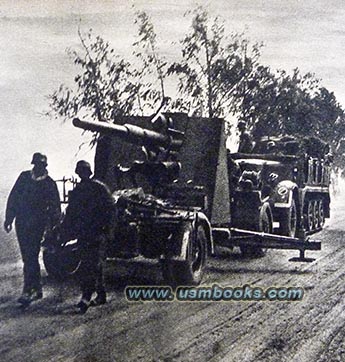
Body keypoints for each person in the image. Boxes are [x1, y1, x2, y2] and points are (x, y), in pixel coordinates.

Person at [4, 152, 61, 305]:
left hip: (38, 224)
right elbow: (14, 198)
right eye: (36, 164)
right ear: (33, 164)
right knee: (27, 256)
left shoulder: (49, 183)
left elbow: (56, 206)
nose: (38, 167)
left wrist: (53, 225)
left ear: (45, 166)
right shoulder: (24, 178)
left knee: (31, 255)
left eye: (41, 165)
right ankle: (37, 288)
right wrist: (9, 218)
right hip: (22, 223)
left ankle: (28, 290)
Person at [60, 160, 114, 314]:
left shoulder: (100, 188)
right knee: (92, 264)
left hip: (98, 233)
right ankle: (101, 294)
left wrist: (108, 230)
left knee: (91, 265)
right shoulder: (77, 191)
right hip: (85, 233)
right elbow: (71, 214)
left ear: (88, 173)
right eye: (80, 172)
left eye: (84, 172)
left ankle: (86, 297)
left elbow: (111, 209)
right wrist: (64, 232)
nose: (82, 175)